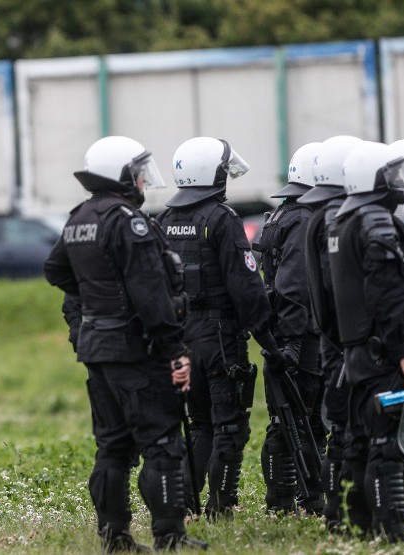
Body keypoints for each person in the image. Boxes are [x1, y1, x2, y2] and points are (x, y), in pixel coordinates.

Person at [43, 136, 200, 552]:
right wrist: (175, 350)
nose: (144, 181)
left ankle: (115, 537)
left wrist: (99, 295)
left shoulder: (80, 217)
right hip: (134, 349)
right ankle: (171, 535)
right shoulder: (128, 220)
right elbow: (152, 294)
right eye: (139, 173)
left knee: (112, 445)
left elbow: (55, 269)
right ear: (123, 175)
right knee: (162, 442)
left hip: (97, 347)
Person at [155, 136, 289, 520]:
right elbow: (246, 287)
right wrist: (269, 339)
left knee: (198, 424)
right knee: (229, 427)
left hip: (180, 337)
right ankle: (220, 507)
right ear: (212, 174)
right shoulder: (222, 219)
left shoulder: (164, 221)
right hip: (218, 337)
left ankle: (184, 503)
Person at [326, 141, 404, 541]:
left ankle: (358, 525)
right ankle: (391, 529)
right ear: (373, 179)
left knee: (360, 441)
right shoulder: (375, 223)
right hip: (383, 353)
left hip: (358, 352)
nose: (398, 183)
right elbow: (386, 294)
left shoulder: (343, 220)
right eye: (390, 175)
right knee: (384, 444)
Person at [254, 141, 324, 514]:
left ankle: (297, 498)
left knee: (293, 419)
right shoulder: (302, 220)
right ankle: (288, 501)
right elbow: (294, 286)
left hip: (285, 331)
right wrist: (295, 342)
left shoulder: (283, 214)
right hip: (298, 334)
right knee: (297, 420)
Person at [297, 134, 362, 529]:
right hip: (346, 341)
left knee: (340, 428)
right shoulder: (336, 220)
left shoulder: (318, 216)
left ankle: (337, 511)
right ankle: (344, 512)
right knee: (351, 428)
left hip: (331, 339)